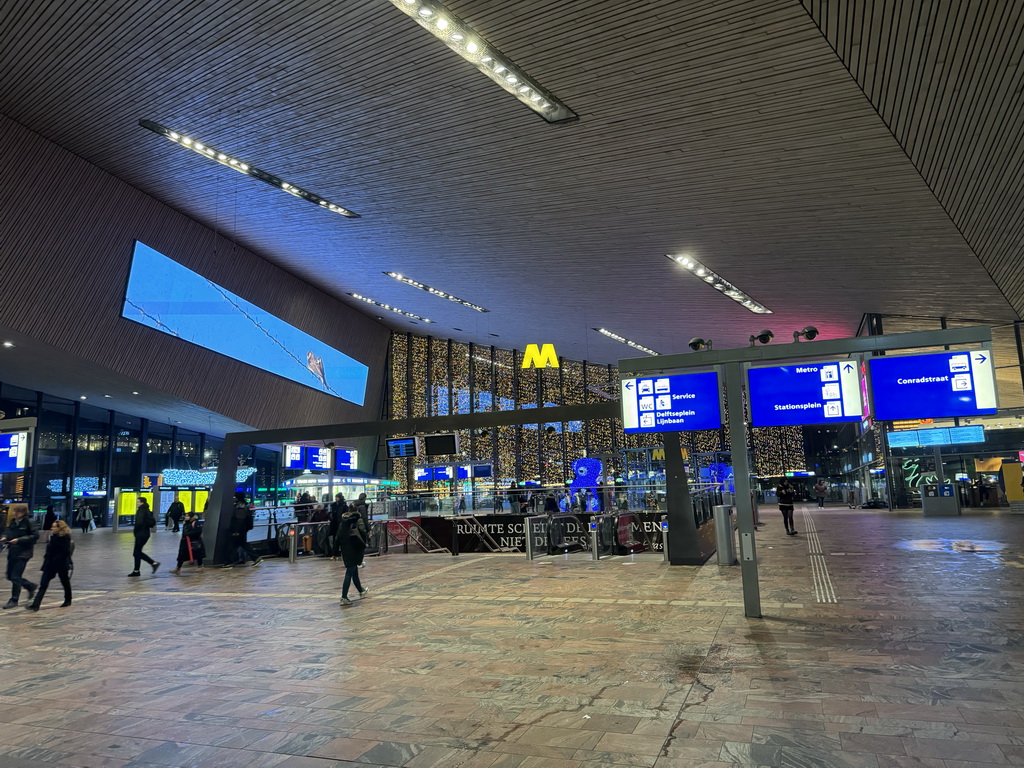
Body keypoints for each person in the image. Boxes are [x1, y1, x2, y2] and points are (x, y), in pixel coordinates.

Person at [26, 519, 73, 610]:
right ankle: (36, 604)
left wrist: (54, 560)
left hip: (60, 564)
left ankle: (68, 599)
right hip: (49, 564)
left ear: (60, 528)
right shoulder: (53, 536)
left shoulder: (65, 538)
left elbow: (64, 552)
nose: (51, 528)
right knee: (43, 584)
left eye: (54, 527)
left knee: (65, 582)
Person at [1, 503, 38, 608]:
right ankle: (30, 586)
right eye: (15, 511)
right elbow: (7, 532)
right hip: (12, 552)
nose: (15, 513)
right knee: (9, 575)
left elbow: (35, 536)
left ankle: (14, 599)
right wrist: (5, 538)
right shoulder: (13, 522)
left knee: (15, 576)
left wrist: (19, 540)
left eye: (17, 512)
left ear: (23, 513)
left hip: (23, 553)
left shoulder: (29, 522)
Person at [337, 504, 368, 606]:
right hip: (353, 550)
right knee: (349, 573)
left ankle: (361, 589)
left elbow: (337, 538)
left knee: (354, 571)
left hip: (346, 550)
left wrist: (335, 552)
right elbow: (362, 531)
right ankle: (344, 597)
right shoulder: (353, 521)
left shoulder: (342, 523)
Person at [226, 493, 261, 567]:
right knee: (242, 544)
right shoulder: (245, 505)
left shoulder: (239, 506)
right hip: (243, 529)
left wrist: (235, 530)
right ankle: (256, 558)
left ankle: (228, 562)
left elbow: (239, 520)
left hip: (238, 529)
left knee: (232, 545)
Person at [129, 497, 159, 576]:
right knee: (137, 552)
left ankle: (153, 563)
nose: (136, 503)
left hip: (141, 534)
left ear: (142, 503)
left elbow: (139, 522)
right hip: (145, 533)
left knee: (137, 552)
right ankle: (136, 570)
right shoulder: (147, 510)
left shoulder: (141, 510)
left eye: (138, 502)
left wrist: (136, 530)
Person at [327, 493, 347, 561]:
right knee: (335, 540)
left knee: (339, 540)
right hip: (335, 525)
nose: (336, 499)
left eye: (337, 497)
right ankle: (335, 554)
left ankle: (339, 554)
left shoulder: (343, 505)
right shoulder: (334, 505)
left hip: (340, 525)